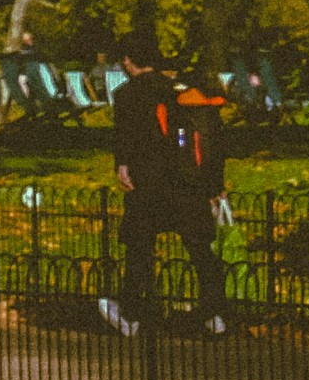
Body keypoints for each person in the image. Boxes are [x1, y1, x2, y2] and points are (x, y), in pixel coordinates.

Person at [96, 39, 234, 339]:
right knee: (200, 249)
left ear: (130, 61)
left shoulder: (127, 95)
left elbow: (127, 137)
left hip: (149, 183)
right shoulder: (180, 91)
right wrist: (213, 182)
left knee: (139, 247)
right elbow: (197, 137)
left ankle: (135, 311)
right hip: (187, 182)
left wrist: (123, 165)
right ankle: (215, 312)